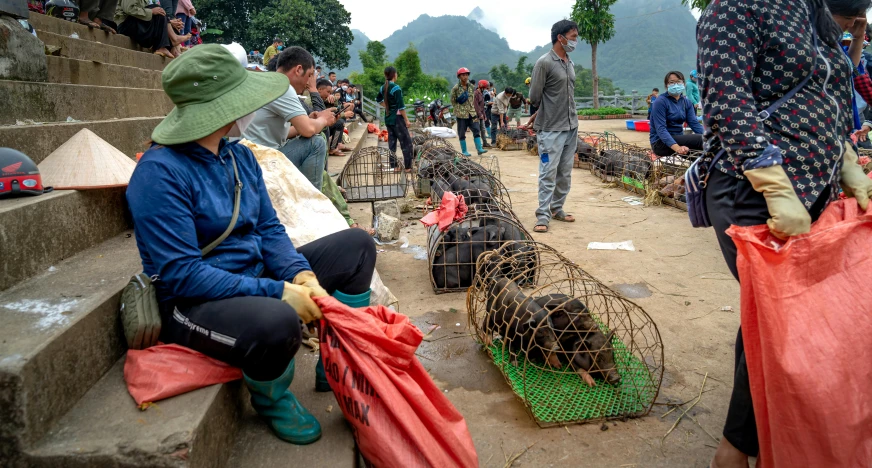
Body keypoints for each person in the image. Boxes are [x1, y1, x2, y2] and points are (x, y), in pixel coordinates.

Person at [126, 44, 377, 447]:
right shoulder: (159, 175)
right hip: (194, 302)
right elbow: (183, 275)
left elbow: (269, 229)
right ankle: (270, 396)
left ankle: (336, 361)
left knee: (357, 247)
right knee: (277, 321)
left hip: (254, 275)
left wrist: (300, 273)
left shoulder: (239, 157)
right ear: (221, 109)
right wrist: (277, 291)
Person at [697, 1, 872, 467]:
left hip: (816, 188)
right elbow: (727, 98)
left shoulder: (810, 8)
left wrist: (849, 164)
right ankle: (734, 451)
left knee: (772, 318)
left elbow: (832, 87)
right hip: (753, 189)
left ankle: (746, 443)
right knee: (786, 321)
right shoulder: (735, 7)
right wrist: (773, 183)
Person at [242, 47, 336, 191]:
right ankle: (311, 202)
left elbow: (281, 133)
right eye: (309, 75)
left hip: (245, 159)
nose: (308, 82)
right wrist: (324, 120)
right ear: (298, 69)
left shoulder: (264, 82)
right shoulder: (283, 86)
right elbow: (308, 130)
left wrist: (309, 119)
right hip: (262, 162)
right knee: (316, 143)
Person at [529, 19, 579, 234]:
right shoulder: (544, 63)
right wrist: (541, 113)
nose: (575, 41)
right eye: (573, 37)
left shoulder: (569, 62)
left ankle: (557, 208)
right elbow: (535, 96)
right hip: (550, 129)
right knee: (548, 172)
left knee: (565, 172)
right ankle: (542, 214)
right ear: (561, 38)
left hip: (571, 126)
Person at [649, 71, 704, 157]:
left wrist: (712, 137)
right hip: (660, 143)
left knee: (706, 151)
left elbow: (694, 124)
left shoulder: (686, 102)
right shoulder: (660, 102)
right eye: (672, 82)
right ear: (666, 85)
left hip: (679, 138)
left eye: (679, 82)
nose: (676, 84)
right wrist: (677, 148)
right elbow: (661, 129)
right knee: (701, 139)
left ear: (683, 83)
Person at [115, 0, 189, 58]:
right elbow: (129, 9)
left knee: (164, 16)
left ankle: (172, 49)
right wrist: (152, 11)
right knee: (157, 9)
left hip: (136, 23)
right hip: (126, 26)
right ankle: (172, 40)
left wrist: (169, 22)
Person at [376, 66, 414, 171]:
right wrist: (406, 120)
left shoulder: (382, 87)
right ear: (394, 75)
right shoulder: (396, 88)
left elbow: (378, 99)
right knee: (406, 143)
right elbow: (401, 107)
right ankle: (408, 167)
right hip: (397, 119)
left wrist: (387, 106)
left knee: (392, 143)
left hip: (388, 118)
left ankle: (394, 166)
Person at [450, 67, 487, 156]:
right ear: (459, 76)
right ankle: (464, 151)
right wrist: (458, 109)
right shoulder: (455, 88)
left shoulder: (471, 86)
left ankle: (479, 148)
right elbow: (453, 100)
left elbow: (473, 99)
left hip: (472, 112)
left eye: (466, 75)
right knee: (462, 132)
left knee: (476, 129)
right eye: (463, 75)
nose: (465, 77)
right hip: (461, 114)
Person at [474, 79, 493, 148]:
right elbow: (476, 105)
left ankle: (485, 143)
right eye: (485, 88)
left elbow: (482, 105)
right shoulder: (476, 93)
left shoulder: (481, 93)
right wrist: (480, 114)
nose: (486, 90)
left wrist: (483, 114)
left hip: (481, 113)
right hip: (476, 115)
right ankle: (478, 145)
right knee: (477, 130)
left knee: (483, 129)